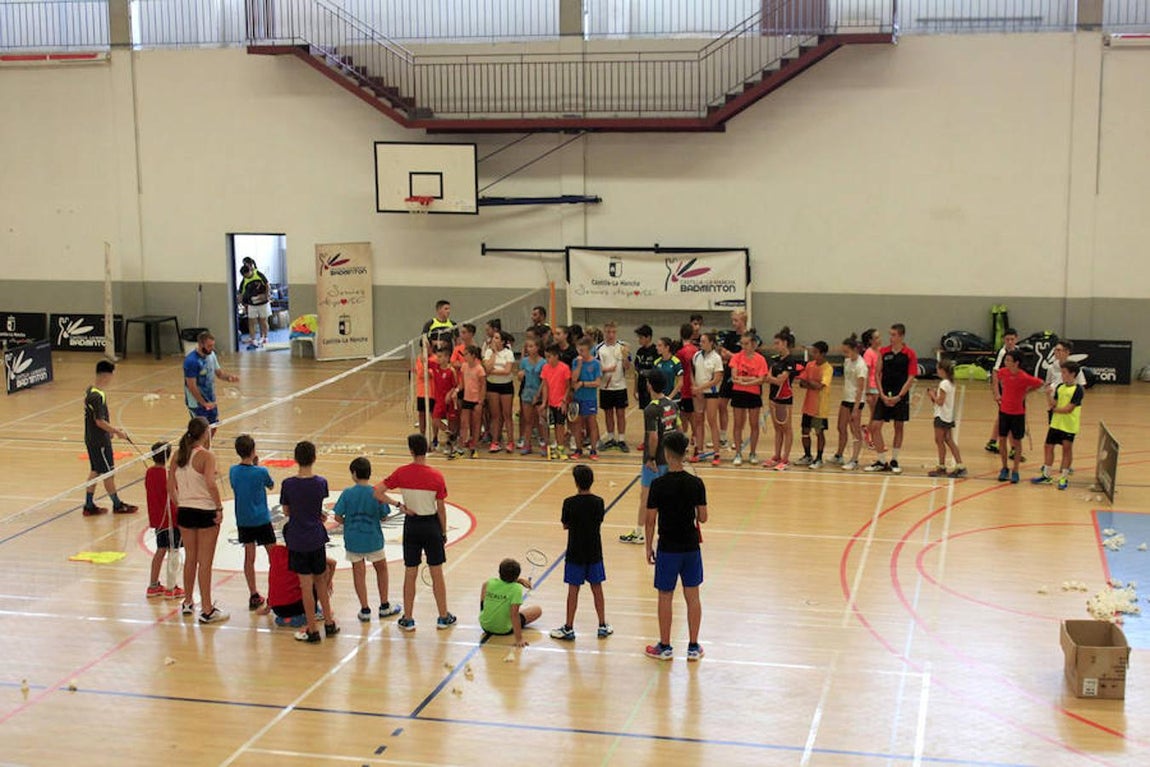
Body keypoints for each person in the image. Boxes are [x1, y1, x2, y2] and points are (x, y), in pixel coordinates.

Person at [374, 433, 457, 632]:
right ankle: (443, 616)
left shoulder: (402, 473)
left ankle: (408, 618)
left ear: (411, 451)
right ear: (427, 449)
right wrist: (443, 532)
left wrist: (399, 505)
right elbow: (441, 508)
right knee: (436, 573)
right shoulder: (436, 476)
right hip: (431, 526)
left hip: (412, 525)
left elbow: (377, 491)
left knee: (410, 572)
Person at [644, 430, 707, 662]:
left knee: (665, 596)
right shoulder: (696, 483)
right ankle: (693, 647)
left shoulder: (658, 484)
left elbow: (650, 520)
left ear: (666, 453)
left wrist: (648, 547)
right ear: (685, 452)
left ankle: (665, 646)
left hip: (668, 548)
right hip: (690, 548)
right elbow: (703, 517)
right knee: (693, 596)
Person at [168, 416, 227, 623]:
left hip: (185, 511)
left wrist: (181, 503)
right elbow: (211, 484)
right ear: (205, 433)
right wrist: (219, 506)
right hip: (205, 511)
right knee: (205, 562)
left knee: (190, 559)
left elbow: (170, 488)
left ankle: (187, 601)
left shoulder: (177, 455)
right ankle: (208, 609)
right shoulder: (206, 456)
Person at [280, 440, 338, 642]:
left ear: (296, 460)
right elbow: (316, 508)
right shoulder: (321, 483)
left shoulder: (288, 484)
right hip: (316, 537)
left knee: (306, 586)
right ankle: (329, 623)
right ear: (314, 458)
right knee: (321, 580)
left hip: (297, 538)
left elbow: (287, 511)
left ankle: (312, 629)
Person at [334, 457, 402, 622]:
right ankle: (384, 605)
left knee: (358, 573)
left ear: (354, 474)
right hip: (373, 538)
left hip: (353, 539)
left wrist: (349, 522)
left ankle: (364, 609)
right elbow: (384, 517)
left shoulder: (347, 493)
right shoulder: (376, 492)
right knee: (381, 569)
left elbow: (337, 516)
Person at [550, 464, 612, 641]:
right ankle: (602, 625)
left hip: (575, 552)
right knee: (597, 588)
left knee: (573, 590)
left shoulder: (569, 502)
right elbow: (599, 520)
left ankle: (569, 627)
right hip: (594, 552)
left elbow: (565, 525)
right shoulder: (598, 502)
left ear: (576, 482)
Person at [620, 369, 678, 544]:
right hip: (670, 459)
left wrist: (651, 458)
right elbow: (678, 430)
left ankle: (639, 533)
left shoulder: (651, 409)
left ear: (649, 385)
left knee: (646, 497)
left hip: (655, 461)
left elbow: (653, 436)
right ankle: (670, 531)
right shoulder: (672, 404)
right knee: (668, 498)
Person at [82, 360, 138, 516]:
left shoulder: (92, 390)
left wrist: (110, 430)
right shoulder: (96, 396)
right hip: (99, 441)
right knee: (108, 472)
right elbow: (99, 421)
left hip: (94, 438)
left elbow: (100, 418)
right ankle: (117, 504)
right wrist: (117, 431)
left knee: (96, 470)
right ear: (106, 375)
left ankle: (88, 505)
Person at [229, 434, 276, 610]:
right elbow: (270, 485)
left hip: (244, 520)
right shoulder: (261, 471)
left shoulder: (233, 470)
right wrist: (257, 466)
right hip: (261, 519)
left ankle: (253, 594)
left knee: (249, 558)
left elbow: (236, 486)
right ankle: (276, 593)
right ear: (253, 451)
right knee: (274, 556)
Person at [865, 324, 918, 475]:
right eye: (890, 334)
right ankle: (881, 460)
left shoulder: (910, 354)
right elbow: (877, 374)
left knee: (898, 427)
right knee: (875, 426)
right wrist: (881, 394)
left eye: (894, 335)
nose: (891, 337)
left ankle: (894, 459)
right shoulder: (884, 352)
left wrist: (899, 396)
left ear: (901, 336)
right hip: (884, 394)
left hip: (900, 395)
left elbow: (911, 376)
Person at [1032, 361, 1085, 490]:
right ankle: (1046, 475)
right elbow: (1053, 404)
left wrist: (1054, 410)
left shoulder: (1078, 390)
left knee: (1066, 450)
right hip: (1056, 423)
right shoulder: (1060, 387)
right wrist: (1048, 394)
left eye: (1064, 372)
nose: (1062, 375)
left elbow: (1069, 409)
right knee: (1048, 447)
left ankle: (1064, 477)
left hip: (1068, 425)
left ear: (1072, 374)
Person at [994, 350, 1045, 484]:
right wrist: (998, 393)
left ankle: (1015, 470)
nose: (1006, 363)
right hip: (1004, 411)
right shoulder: (1003, 372)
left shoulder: (1024, 377)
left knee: (1017, 442)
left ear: (1016, 363)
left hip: (1018, 414)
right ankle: (1004, 468)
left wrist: (1027, 392)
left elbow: (1040, 382)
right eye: (1006, 360)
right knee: (1002, 440)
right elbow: (996, 376)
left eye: (1009, 360)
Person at [261, 542, 337, 629]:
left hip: (277, 609)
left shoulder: (276, 551)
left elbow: (275, 580)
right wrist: (328, 582)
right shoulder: (303, 553)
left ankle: (286, 618)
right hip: (295, 606)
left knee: (285, 576)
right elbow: (333, 563)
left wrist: (268, 606)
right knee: (322, 570)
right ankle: (312, 612)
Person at [145, 442, 183, 599]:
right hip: (171, 519)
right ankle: (171, 587)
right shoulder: (168, 475)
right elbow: (175, 495)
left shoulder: (149, 472)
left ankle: (153, 585)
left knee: (161, 550)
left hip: (157, 518)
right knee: (174, 550)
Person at [479, 559, 542, 647]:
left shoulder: (487, 583)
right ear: (517, 575)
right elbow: (514, 615)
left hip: (485, 626)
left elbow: (482, 606)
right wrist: (519, 639)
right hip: (504, 629)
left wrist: (518, 580)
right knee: (537, 610)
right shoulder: (516, 589)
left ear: (499, 572)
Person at [184, 331, 239, 428]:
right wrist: (203, 403)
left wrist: (229, 377)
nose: (212, 348)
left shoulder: (211, 355)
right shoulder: (191, 361)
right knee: (200, 430)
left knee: (213, 426)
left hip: (210, 399)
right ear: (201, 344)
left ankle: (205, 444)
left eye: (213, 345)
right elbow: (191, 386)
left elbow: (219, 373)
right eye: (209, 346)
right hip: (197, 403)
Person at [763, 326, 800, 471]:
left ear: (784, 343)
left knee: (786, 428)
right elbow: (768, 377)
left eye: (777, 343)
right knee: (777, 428)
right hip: (773, 397)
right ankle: (776, 455)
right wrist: (772, 378)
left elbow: (781, 381)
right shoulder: (775, 359)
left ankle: (785, 458)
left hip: (785, 398)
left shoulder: (790, 361)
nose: (775, 346)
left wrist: (772, 378)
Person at [729, 331, 767, 467]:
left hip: (753, 394)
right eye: (742, 344)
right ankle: (738, 453)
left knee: (754, 424)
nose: (744, 346)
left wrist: (745, 381)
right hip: (738, 393)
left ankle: (753, 453)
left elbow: (761, 379)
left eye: (746, 344)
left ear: (753, 344)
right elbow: (734, 377)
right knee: (738, 424)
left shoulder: (760, 359)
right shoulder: (736, 357)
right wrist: (751, 379)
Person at [716, 309, 750, 449]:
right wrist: (727, 354)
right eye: (733, 320)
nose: (734, 323)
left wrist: (731, 355)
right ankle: (723, 437)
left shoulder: (750, 337)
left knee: (740, 408)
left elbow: (745, 357)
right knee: (721, 404)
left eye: (736, 320)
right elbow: (725, 355)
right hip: (728, 374)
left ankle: (739, 438)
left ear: (743, 321)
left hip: (742, 377)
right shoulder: (730, 337)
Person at [796, 341, 832, 468]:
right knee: (805, 431)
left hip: (820, 406)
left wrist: (810, 382)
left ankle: (819, 458)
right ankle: (807, 455)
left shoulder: (827, 369)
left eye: (815, 352)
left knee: (819, 432)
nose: (813, 354)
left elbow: (820, 386)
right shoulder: (810, 365)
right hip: (808, 404)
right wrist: (811, 383)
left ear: (823, 354)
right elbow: (801, 383)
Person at [984, 328, 1020, 454]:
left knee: (1002, 416)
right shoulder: (1002, 352)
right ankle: (1014, 448)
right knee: (1008, 417)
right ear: (1003, 340)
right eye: (1007, 339)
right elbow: (995, 372)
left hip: (1013, 391)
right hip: (1003, 391)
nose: (1010, 342)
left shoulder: (1018, 351)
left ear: (1017, 339)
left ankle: (992, 441)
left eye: (1012, 339)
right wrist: (997, 393)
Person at [927, 359, 966, 477]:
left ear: (942, 370)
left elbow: (940, 402)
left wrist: (932, 394)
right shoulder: (950, 383)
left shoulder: (944, 384)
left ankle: (942, 466)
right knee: (949, 440)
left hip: (941, 416)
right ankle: (959, 465)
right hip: (948, 416)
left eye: (938, 369)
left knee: (939, 440)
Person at [596, 321, 630, 452]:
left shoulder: (622, 347)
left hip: (620, 386)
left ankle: (621, 439)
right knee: (608, 413)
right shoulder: (599, 348)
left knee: (620, 413)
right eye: (608, 332)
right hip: (606, 387)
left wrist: (626, 357)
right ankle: (610, 438)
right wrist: (607, 369)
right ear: (604, 332)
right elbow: (597, 368)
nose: (611, 335)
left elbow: (627, 367)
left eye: (613, 332)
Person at [692, 332, 724, 466]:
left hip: (711, 393)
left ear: (711, 342)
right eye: (700, 341)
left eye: (704, 341)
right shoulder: (696, 355)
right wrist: (695, 387)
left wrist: (701, 388)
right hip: (699, 394)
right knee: (698, 421)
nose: (701, 343)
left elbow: (717, 379)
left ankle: (716, 453)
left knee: (712, 421)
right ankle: (699, 450)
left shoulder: (716, 358)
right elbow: (691, 373)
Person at [837, 334, 868, 471]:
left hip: (856, 401)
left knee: (855, 431)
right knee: (841, 426)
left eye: (847, 351)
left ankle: (854, 459)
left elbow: (861, 388)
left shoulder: (861, 366)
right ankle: (839, 455)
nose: (845, 354)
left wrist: (856, 408)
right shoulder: (847, 361)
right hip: (846, 399)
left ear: (855, 349)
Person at [483, 330, 516, 453]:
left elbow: (507, 371)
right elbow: (487, 368)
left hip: (506, 386)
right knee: (495, 415)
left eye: (497, 338)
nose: (494, 340)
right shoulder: (488, 352)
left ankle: (511, 442)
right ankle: (495, 442)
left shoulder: (508, 353)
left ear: (502, 341)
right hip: (492, 386)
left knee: (507, 414)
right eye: (493, 338)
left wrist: (491, 371)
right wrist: (494, 353)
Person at [571, 338, 603, 460]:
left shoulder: (595, 364)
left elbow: (597, 382)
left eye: (583, 350)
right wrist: (578, 366)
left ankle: (593, 450)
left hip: (590, 399)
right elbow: (574, 379)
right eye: (579, 350)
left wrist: (583, 384)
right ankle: (578, 449)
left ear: (589, 350)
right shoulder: (576, 362)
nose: (580, 353)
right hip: (577, 398)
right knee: (577, 425)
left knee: (591, 424)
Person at [540, 343, 573, 460]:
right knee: (553, 427)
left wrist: (564, 401)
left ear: (556, 356)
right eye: (546, 357)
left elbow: (568, 386)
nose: (547, 359)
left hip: (561, 403)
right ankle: (556, 448)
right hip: (551, 402)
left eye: (549, 357)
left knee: (560, 426)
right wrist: (544, 402)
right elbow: (545, 386)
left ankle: (561, 448)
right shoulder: (545, 368)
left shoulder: (564, 368)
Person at [517, 336, 545, 455]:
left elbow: (544, 381)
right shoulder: (524, 361)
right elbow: (520, 377)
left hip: (539, 392)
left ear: (537, 348)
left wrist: (539, 395)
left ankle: (544, 445)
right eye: (527, 346)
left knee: (541, 421)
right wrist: (520, 375)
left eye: (531, 346)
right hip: (527, 393)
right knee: (528, 421)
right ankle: (527, 445)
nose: (529, 349)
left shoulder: (543, 362)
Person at [459, 345, 486, 459]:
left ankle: (474, 445)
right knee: (464, 422)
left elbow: (483, 385)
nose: (464, 357)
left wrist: (481, 401)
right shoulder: (464, 366)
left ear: (473, 355)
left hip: (476, 399)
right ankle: (462, 444)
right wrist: (455, 391)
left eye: (466, 354)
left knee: (476, 424)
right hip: (466, 398)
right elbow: (462, 383)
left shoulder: (479, 369)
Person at [238, 260, 272, 349]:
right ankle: (253, 339)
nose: (246, 277)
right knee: (251, 321)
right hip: (252, 304)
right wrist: (241, 303)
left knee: (263, 321)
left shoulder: (258, 274)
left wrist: (267, 295)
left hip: (263, 302)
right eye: (244, 276)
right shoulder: (244, 281)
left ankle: (265, 337)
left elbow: (267, 284)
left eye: (247, 275)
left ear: (250, 271)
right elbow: (241, 293)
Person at [676, 323, 699, 449]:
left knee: (684, 415)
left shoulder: (680, 353)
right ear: (692, 334)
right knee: (693, 414)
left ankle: (685, 437)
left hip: (684, 388)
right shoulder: (696, 350)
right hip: (695, 387)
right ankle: (695, 437)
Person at [861, 328, 882, 447]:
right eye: (877, 337)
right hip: (872, 387)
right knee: (875, 414)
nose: (880, 340)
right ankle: (870, 435)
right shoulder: (868, 353)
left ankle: (867, 430)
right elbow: (867, 373)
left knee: (878, 415)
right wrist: (868, 391)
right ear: (870, 340)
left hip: (880, 386)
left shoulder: (881, 351)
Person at [632, 324, 659, 412]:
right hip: (642, 387)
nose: (639, 340)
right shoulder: (640, 352)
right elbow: (636, 371)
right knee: (646, 412)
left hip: (653, 388)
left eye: (641, 337)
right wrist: (635, 389)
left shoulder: (656, 351)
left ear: (648, 337)